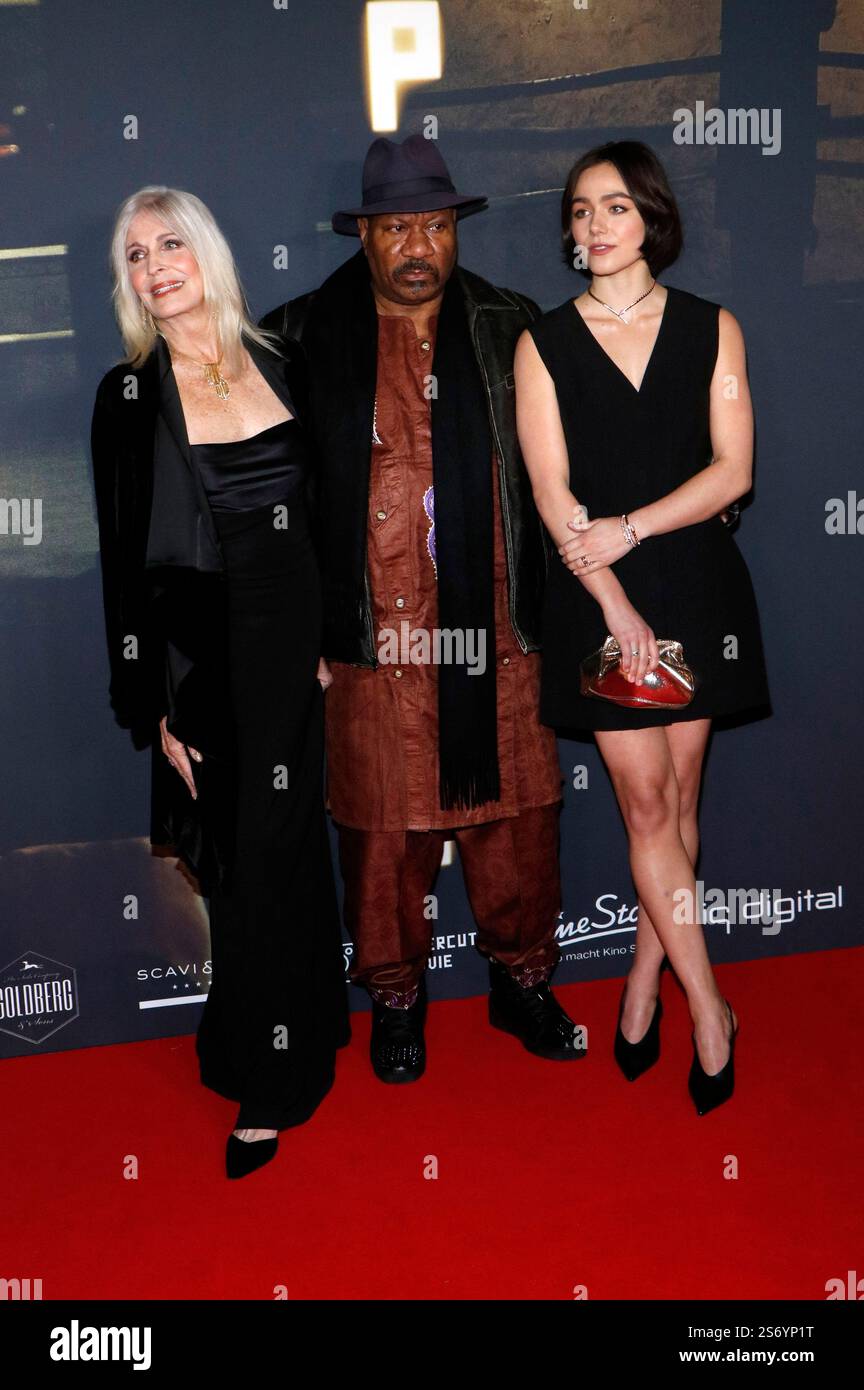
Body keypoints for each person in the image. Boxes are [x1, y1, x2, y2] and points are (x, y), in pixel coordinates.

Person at [261, 134, 585, 1081]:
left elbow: (560, 472)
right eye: (397, 226)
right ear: (363, 234)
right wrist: (303, 629)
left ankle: (522, 986)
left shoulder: (510, 324)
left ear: (454, 232)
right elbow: (269, 502)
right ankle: (397, 1003)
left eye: (435, 226)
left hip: (495, 628)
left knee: (516, 822)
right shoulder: (299, 337)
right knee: (382, 836)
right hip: (373, 637)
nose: (418, 246)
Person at [90, 186, 349, 1177]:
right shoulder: (127, 394)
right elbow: (125, 561)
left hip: (294, 644)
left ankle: (305, 1029)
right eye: (134, 256)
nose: (154, 266)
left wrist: (328, 638)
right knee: (244, 862)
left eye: (169, 244)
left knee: (291, 846)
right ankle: (262, 1075)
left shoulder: (280, 356)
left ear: (205, 252)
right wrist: (152, 703)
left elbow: (324, 513)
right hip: (209, 656)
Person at [514, 140, 771, 1115]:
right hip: (594, 594)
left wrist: (638, 527)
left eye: (614, 207)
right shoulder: (541, 343)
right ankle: (710, 1010)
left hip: (698, 582)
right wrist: (612, 595)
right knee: (650, 811)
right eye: (579, 211)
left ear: (651, 217)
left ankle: (639, 980)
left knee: (683, 808)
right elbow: (550, 490)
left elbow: (732, 470)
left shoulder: (713, 329)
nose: (594, 226)